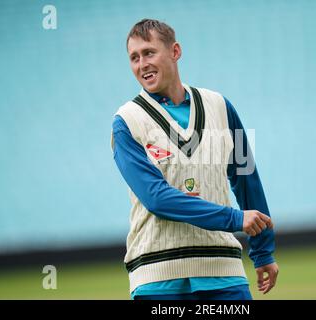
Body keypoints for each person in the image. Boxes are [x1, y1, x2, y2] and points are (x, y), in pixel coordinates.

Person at [111, 18, 279, 300]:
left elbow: (247, 179)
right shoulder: (126, 122)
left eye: (149, 53)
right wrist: (234, 218)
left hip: (224, 273)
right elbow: (157, 198)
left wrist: (263, 251)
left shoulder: (220, 106)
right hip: (157, 278)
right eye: (134, 58)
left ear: (175, 52)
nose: (142, 64)